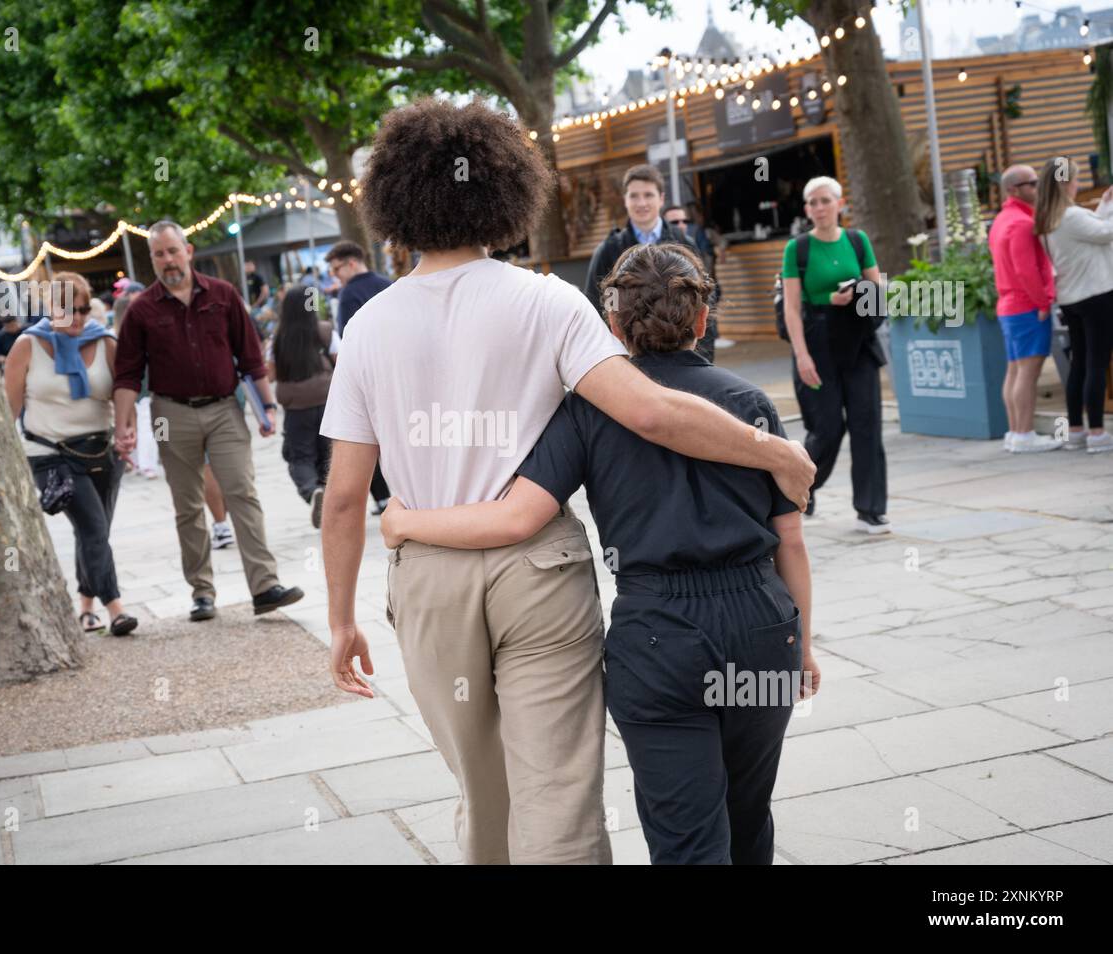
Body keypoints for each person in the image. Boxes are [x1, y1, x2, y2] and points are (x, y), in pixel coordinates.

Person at [318, 98, 814, 865]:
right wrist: (775, 452)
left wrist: (341, 614)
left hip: (429, 574)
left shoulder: (368, 328)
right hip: (539, 573)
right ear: (505, 193)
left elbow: (345, 496)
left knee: (483, 790)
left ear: (394, 204)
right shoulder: (547, 300)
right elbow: (650, 411)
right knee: (557, 787)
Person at [113, 220, 303, 621]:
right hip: (171, 412)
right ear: (152, 260)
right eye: (158, 254)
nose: (167, 260)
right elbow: (128, 374)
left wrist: (267, 408)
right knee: (187, 506)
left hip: (223, 409)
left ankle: (265, 586)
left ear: (189, 250)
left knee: (242, 492)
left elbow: (251, 357)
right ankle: (202, 592)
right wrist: (124, 424)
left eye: (172, 250)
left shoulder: (223, 295)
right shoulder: (141, 310)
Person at [3, 271, 138, 637]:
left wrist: (129, 429)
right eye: (68, 311)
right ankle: (117, 609)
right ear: (51, 307)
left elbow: (123, 391)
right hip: (50, 454)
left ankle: (85, 607)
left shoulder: (105, 341)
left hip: (101, 452)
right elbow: (9, 409)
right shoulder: (26, 345)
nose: (78, 318)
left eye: (83, 310)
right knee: (94, 527)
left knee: (93, 533)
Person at [781, 176, 891, 533]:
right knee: (826, 427)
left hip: (858, 342)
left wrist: (859, 292)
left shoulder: (857, 241)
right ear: (806, 209)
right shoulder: (796, 249)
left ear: (840, 204)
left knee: (867, 424)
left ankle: (870, 510)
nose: (819, 208)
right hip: (818, 342)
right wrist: (802, 355)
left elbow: (878, 292)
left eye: (825, 200)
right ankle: (798, 490)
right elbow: (792, 309)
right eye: (812, 202)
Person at [585, 165, 715, 361]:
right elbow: (601, 302)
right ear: (625, 200)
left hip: (681, 354)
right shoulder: (609, 251)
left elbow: (702, 299)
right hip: (630, 357)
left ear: (661, 198)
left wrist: (703, 360)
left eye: (648, 195)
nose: (641, 202)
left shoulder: (685, 244)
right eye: (634, 196)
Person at [1033, 157, 1113, 454]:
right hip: (1096, 295)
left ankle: (1075, 430)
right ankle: (1097, 433)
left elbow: (1097, 229)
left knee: (1079, 364)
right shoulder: (1071, 216)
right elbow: (1106, 233)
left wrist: (1105, 205)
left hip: (1071, 298)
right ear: (1066, 183)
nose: (1078, 184)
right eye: (1076, 179)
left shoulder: (1047, 219)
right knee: (1096, 363)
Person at [989, 165, 1062, 453]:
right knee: (1028, 373)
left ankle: (1015, 432)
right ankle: (1024, 434)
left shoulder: (1002, 220)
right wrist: (1042, 302)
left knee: (1015, 371)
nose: (1038, 187)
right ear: (1013, 190)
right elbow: (1025, 269)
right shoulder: (1020, 223)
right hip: (1025, 306)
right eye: (1031, 183)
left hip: (1010, 305)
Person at [325, 240, 393, 511]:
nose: (335, 276)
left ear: (352, 263)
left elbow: (348, 341)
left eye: (336, 269)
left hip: (374, 374)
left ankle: (383, 495)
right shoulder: (388, 284)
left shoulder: (349, 295)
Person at [268, 286, 336, 527]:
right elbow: (342, 362)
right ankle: (331, 499)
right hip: (328, 401)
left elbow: (270, 375)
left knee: (300, 456)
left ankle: (312, 491)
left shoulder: (278, 338)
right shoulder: (325, 330)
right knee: (328, 453)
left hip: (297, 408)